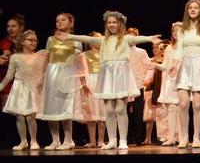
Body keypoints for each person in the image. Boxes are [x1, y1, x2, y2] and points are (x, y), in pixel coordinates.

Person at [56, 11, 161, 150]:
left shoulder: (125, 39)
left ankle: (123, 140)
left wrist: (149, 38)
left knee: (120, 108)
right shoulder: (103, 40)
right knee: (109, 109)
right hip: (107, 75)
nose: (111, 25)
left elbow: (138, 39)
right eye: (109, 22)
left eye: (114, 22)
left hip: (121, 74)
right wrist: (69, 36)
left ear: (120, 24)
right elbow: (85, 39)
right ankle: (112, 140)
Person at [169, 0, 200, 148]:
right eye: (191, 8)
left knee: (197, 104)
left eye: (196, 8)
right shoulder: (182, 30)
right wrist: (174, 65)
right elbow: (179, 50)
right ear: (187, 11)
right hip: (185, 67)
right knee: (183, 104)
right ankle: (184, 137)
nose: (193, 10)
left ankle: (196, 137)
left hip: (199, 66)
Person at [38, 13, 83, 150]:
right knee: (51, 106)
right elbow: (47, 57)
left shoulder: (75, 39)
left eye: (63, 20)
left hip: (67, 73)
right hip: (52, 73)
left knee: (65, 106)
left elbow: (79, 60)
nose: (59, 22)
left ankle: (68, 140)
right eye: (57, 20)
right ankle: (55, 140)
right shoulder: (50, 39)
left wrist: (81, 78)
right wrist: (42, 74)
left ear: (71, 23)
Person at [0, 30, 48, 150]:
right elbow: (9, 76)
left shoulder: (40, 55)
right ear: (22, 42)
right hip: (19, 88)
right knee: (20, 116)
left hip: (32, 88)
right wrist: (1, 86)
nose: (34, 42)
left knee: (31, 116)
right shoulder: (15, 57)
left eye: (35, 40)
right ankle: (23, 141)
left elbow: (44, 71)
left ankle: (34, 141)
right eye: (31, 40)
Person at [77, 32, 106, 147]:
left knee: (102, 111)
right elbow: (80, 71)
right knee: (91, 112)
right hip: (90, 82)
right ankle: (92, 141)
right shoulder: (84, 55)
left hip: (103, 81)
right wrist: (83, 83)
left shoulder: (105, 54)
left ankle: (101, 140)